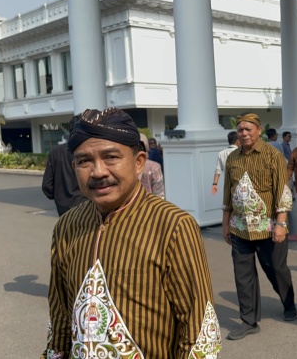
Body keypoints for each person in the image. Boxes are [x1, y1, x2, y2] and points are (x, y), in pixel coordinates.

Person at [42, 108, 220, 359]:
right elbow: (60, 315)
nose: (98, 172)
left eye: (111, 157)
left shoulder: (173, 225)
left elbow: (197, 330)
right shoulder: (67, 226)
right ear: (74, 167)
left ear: (139, 162)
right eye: (84, 161)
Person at [222, 113, 296, 340]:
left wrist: (281, 224)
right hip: (240, 228)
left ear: (259, 130)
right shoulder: (232, 158)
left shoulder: (273, 155)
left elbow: (282, 192)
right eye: (240, 129)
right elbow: (228, 192)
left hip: (268, 227)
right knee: (243, 275)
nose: (244, 133)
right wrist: (226, 223)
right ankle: (249, 320)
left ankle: (288, 302)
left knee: (276, 268)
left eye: (248, 129)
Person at [41, 115, 87, 216]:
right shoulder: (87, 151)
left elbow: (47, 185)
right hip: (86, 205)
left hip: (63, 206)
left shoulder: (55, 152)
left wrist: (59, 196)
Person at [211, 131, 239, 195]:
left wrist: (214, 184)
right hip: (240, 184)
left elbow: (218, 171)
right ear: (238, 141)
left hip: (228, 185)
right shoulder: (240, 152)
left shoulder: (221, 153)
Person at [138, 133, 165, 198]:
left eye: (154, 143)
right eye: (151, 143)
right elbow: (159, 195)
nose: (153, 144)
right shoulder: (153, 166)